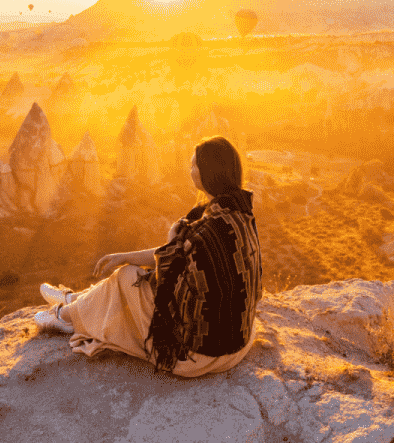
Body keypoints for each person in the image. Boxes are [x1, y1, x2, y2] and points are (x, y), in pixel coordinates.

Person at [34, 136, 262, 377]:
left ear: (210, 173)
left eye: (195, 165)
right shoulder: (238, 214)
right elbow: (183, 259)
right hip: (237, 343)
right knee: (128, 272)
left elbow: (168, 281)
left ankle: (66, 316)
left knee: (127, 277)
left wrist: (170, 240)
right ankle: (75, 301)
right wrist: (125, 255)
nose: (190, 170)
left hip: (199, 355)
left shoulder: (204, 233)